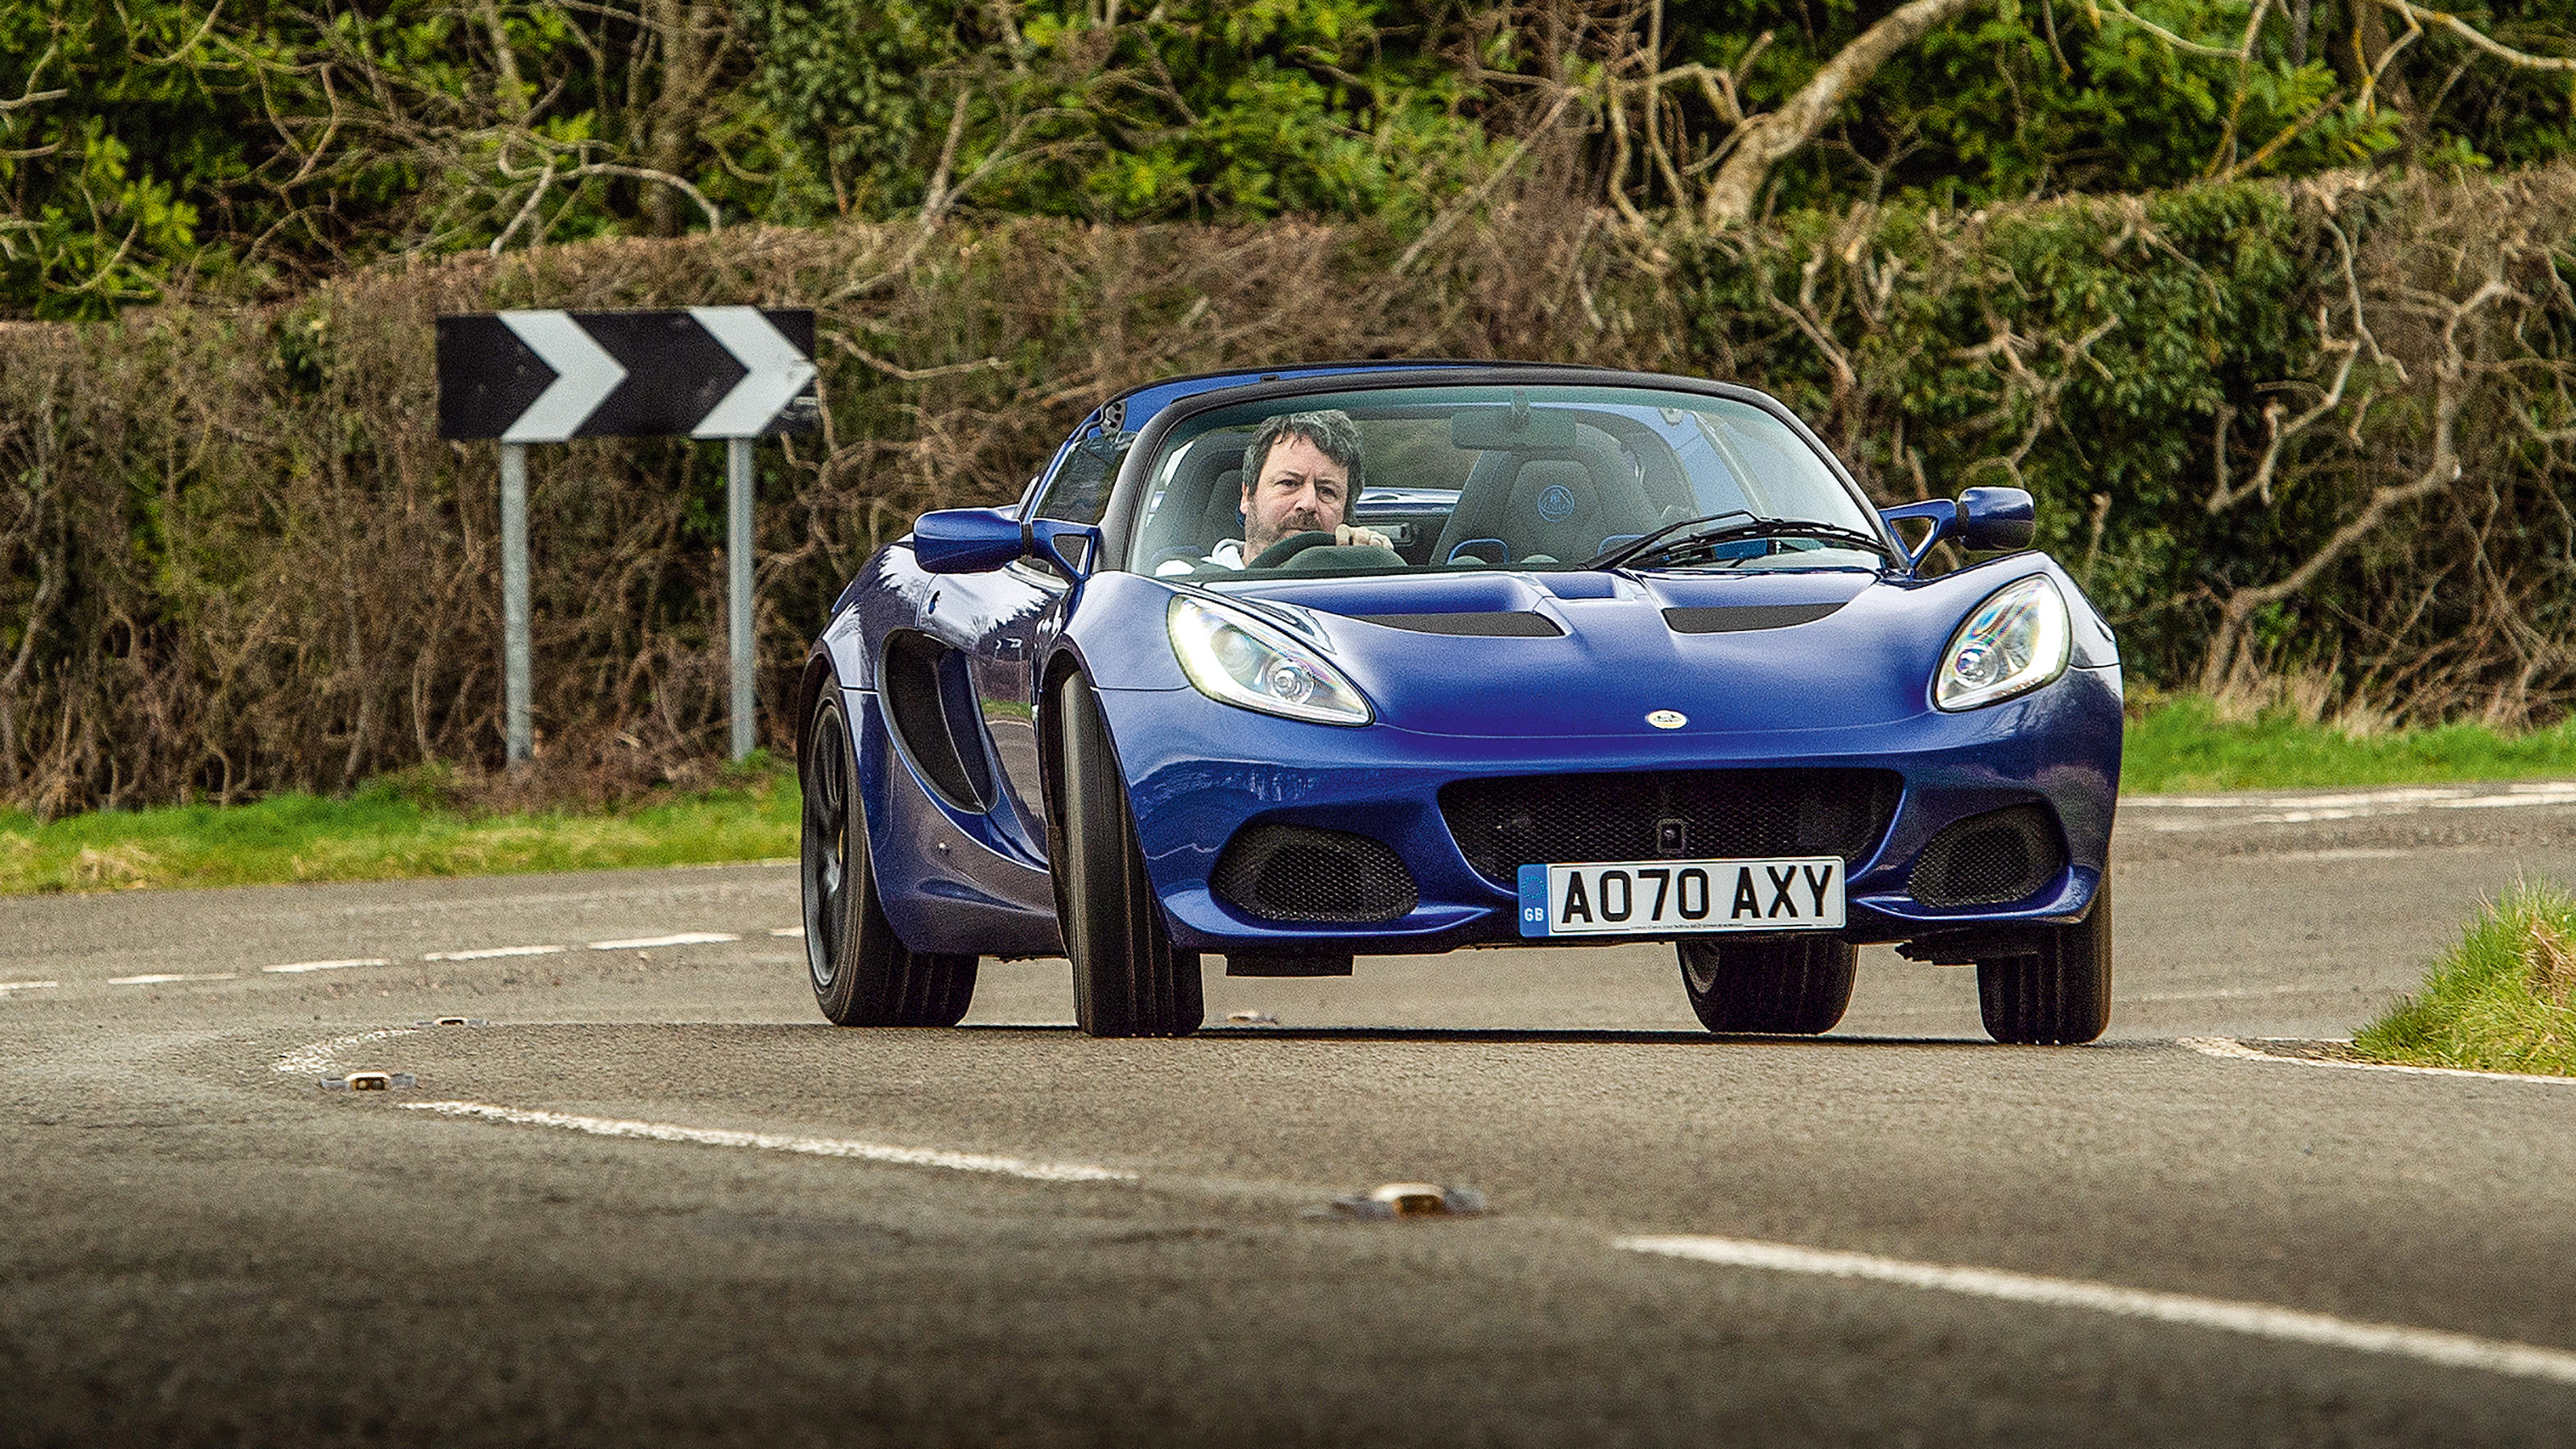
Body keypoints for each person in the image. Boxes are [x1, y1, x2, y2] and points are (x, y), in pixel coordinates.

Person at [1158, 409, 1390, 573]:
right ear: (1248, 496)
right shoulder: (1181, 581)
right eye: (1289, 483)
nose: (1309, 503)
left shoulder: (1364, 582)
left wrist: (1377, 563)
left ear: (1346, 512)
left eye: (1327, 491)